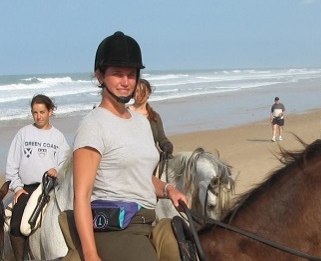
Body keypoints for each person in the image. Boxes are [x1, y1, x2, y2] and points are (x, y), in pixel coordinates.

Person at [72, 31, 189, 261]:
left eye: (131, 74)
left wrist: (169, 190)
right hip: (117, 229)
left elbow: (142, 177)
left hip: (149, 222)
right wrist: (90, 254)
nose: (126, 82)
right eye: (117, 74)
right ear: (100, 76)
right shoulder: (93, 125)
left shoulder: (142, 122)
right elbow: (81, 196)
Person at [5, 94, 70, 261]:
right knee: (16, 224)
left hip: (51, 187)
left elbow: (65, 164)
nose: (38, 116)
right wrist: (17, 187)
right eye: (35, 112)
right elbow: (11, 165)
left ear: (50, 112)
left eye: (42, 112)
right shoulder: (23, 134)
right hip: (27, 189)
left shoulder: (58, 137)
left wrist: (57, 170)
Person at [128, 79, 173, 156]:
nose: (140, 94)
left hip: (154, 157)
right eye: (137, 91)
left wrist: (167, 145)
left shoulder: (154, 116)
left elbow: (162, 139)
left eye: (143, 91)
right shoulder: (126, 114)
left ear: (149, 92)